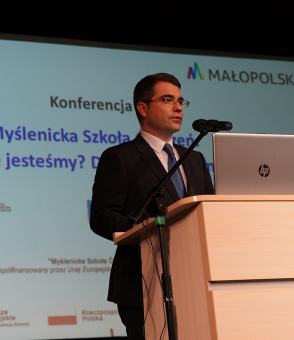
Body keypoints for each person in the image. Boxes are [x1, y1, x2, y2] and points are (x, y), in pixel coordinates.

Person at [89, 73, 214, 340]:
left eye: (180, 101)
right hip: (143, 283)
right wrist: (145, 228)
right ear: (142, 108)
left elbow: (209, 214)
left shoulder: (194, 158)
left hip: (195, 281)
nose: (178, 107)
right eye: (167, 100)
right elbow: (101, 216)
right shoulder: (120, 157)